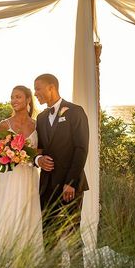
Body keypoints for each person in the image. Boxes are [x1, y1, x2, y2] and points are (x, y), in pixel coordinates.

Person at [0, 85, 43, 266]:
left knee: (28, 214)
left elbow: (40, 151)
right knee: (7, 212)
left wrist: (26, 154)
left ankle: (28, 261)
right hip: (10, 177)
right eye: (12, 97)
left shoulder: (37, 125)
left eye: (18, 97)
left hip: (29, 176)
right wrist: (10, 153)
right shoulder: (4, 125)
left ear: (28, 99)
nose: (14, 100)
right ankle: (3, 260)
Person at [33, 73, 89, 250]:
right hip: (47, 186)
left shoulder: (75, 111)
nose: (35, 93)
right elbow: (40, 149)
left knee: (72, 234)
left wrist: (70, 182)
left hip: (69, 186)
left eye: (38, 88)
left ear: (52, 88)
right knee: (48, 235)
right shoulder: (41, 118)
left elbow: (81, 148)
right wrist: (38, 160)